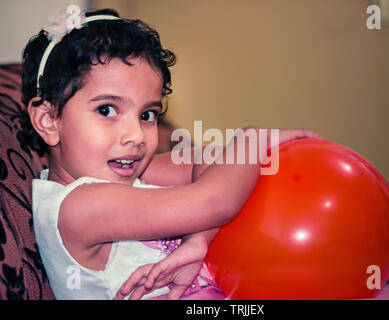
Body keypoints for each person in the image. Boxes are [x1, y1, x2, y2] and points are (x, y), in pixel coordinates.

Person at [21, 8, 320, 300]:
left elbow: (214, 160)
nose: (136, 136)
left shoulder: (121, 173)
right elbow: (215, 201)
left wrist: (197, 240)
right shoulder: (77, 208)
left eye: (148, 115)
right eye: (107, 110)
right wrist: (252, 137)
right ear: (49, 120)